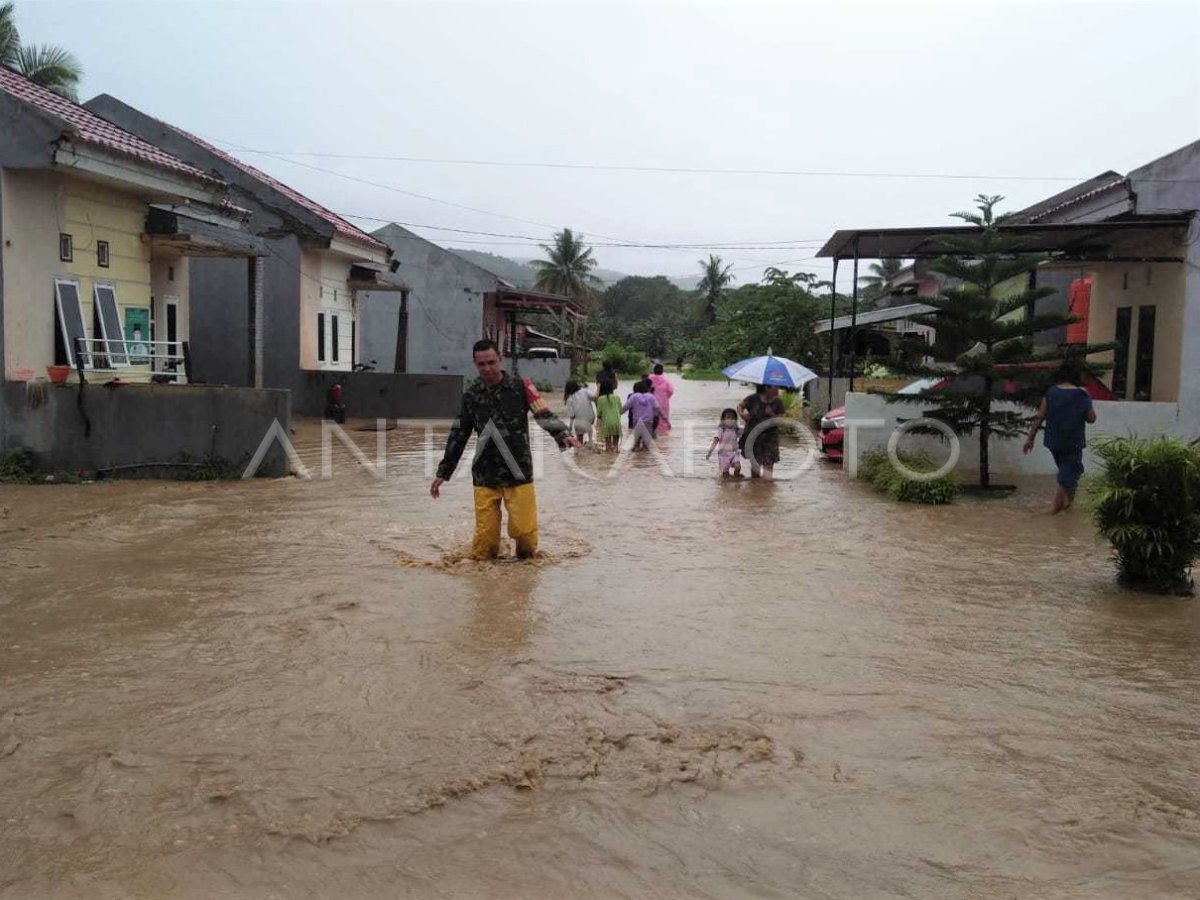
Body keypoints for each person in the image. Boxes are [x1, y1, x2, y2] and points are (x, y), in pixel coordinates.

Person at [431, 339, 579, 560]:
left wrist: (563, 434)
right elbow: (459, 434)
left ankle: (522, 582)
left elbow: (543, 413)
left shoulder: (522, 387)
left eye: (491, 362)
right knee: (484, 545)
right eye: (482, 364)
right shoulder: (471, 397)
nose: (488, 368)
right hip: (485, 474)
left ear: (500, 359)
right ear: (475, 364)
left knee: (526, 538)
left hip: (519, 471)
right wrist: (443, 473)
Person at [1023, 359, 1098, 513]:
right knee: (1067, 474)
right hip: (1072, 441)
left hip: (1053, 441)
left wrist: (1030, 438)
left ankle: (1069, 507)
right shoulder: (1081, 394)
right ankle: (1053, 511)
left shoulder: (1051, 392)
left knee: (1071, 471)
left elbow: (1039, 416)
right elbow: (1092, 419)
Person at [738, 384, 785, 479]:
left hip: (770, 438)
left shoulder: (778, 402)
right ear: (767, 388)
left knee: (769, 463)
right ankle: (756, 490)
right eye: (775, 387)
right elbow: (740, 406)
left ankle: (766, 489)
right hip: (754, 437)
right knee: (755, 466)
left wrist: (771, 414)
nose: (778, 389)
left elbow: (782, 420)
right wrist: (743, 415)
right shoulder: (753, 399)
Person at [622, 380, 662, 451]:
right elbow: (657, 408)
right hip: (648, 422)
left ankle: (636, 460)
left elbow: (626, 407)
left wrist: (618, 413)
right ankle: (645, 460)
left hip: (637, 422)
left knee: (636, 444)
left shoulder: (634, 396)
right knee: (646, 446)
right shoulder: (651, 397)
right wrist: (656, 416)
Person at [705, 408, 743, 477]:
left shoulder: (736, 429)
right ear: (723, 420)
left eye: (732, 418)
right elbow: (715, 441)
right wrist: (709, 453)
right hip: (723, 454)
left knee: (738, 467)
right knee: (725, 473)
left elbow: (744, 436)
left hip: (734, 453)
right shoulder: (721, 430)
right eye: (728, 417)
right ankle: (724, 484)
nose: (730, 420)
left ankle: (736, 479)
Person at [564, 380, 596, 447]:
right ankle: (590, 443)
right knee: (590, 439)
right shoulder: (585, 391)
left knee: (579, 443)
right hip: (590, 420)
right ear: (577, 386)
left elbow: (572, 416)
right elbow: (595, 397)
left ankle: (579, 453)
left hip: (578, 424)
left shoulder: (569, 399)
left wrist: (570, 428)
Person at [647, 364, 675, 435]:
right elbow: (671, 390)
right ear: (662, 371)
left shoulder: (649, 379)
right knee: (663, 422)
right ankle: (663, 435)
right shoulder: (666, 380)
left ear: (654, 371)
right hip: (663, 403)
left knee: (651, 420)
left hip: (650, 403)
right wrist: (666, 397)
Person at [595, 379, 623, 452]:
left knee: (608, 448)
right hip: (616, 423)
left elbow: (599, 414)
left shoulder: (600, 399)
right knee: (616, 448)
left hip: (606, 424)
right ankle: (616, 455)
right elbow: (621, 411)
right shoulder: (617, 397)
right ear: (612, 388)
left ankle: (609, 460)